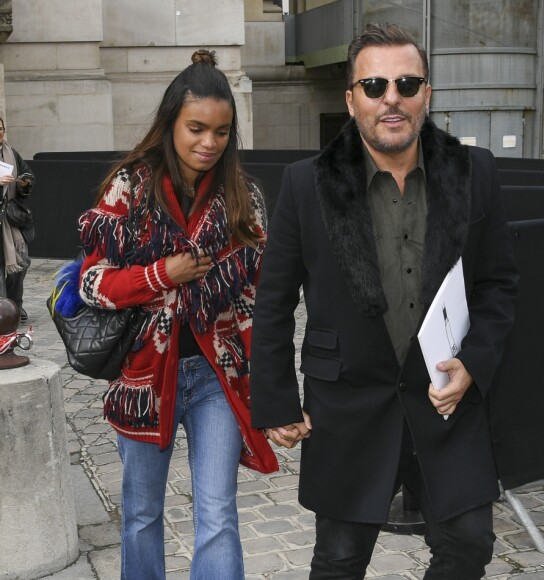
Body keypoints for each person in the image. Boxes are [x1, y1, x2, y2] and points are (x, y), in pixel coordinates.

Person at [250, 23, 519, 580]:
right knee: (340, 559)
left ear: (427, 94)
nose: (390, 97)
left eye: (406, 82)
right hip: (347, 404)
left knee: (469, 545)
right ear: (350, 100)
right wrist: (275, 400)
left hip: (445, 401)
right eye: (373, 86)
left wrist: (475, 363)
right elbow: (273, 300)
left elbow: (498, 284)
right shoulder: (306, 184)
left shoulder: (475, 173)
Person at [77, 50, 278, 579]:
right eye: (195, 128)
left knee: (218, 513)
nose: (208, 143)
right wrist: (163, 274)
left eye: (221, 131)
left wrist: (271, 388)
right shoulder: (130, 188)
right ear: (171, 123)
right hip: (145, 376)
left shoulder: (244, 198)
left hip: (217, 377)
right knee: (142, 516)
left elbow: (257, 301)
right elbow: (92, 284)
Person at [0, 117, 35, 322]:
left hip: (11, 220)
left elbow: (28, 174)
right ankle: (3, 312)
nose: (0, 133)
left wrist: (24, 183)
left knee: (19, 265)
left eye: (2, 129)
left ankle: (13, 306)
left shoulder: (11, 153)